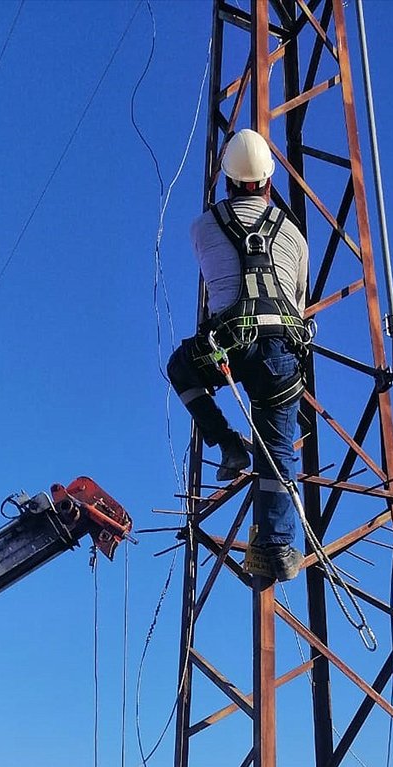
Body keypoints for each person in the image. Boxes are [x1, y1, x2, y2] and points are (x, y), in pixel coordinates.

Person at [167, 128, 310, 582]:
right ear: (270, 183)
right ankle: (279, 545)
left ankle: (228, 443)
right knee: (278, 450)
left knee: (180, 368)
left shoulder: (202, 227)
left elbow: (214, 283)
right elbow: (298, 300)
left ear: (226, 182)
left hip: (228, 344)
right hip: (280, 354)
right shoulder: (296, 237)